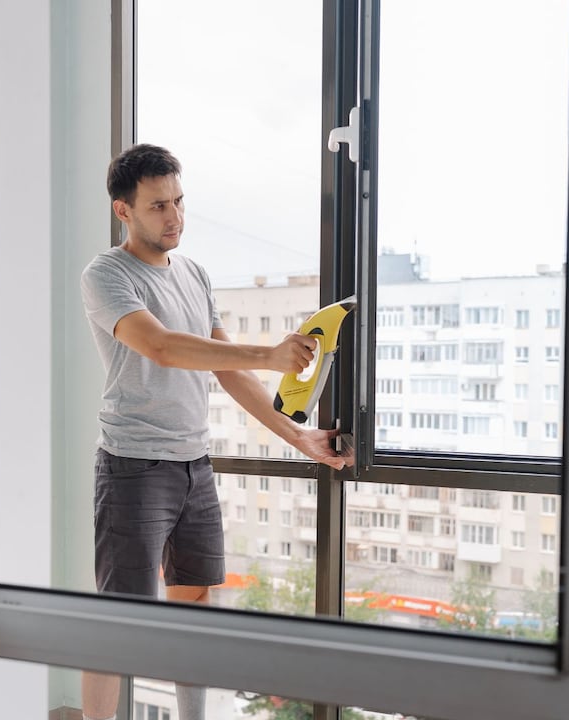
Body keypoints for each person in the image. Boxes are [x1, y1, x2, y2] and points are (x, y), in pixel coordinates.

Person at [79, 144, 351, 720]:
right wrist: (271, 355)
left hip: (193, 467)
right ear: (123, 211)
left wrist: (298, 437)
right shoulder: (106, 274)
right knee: (118, 622)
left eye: (179, 201)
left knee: (197, 605)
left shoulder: (196, 274)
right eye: (158, 206)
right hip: (132, 467)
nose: (174, 217)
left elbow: (226, 368)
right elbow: (161, 346)